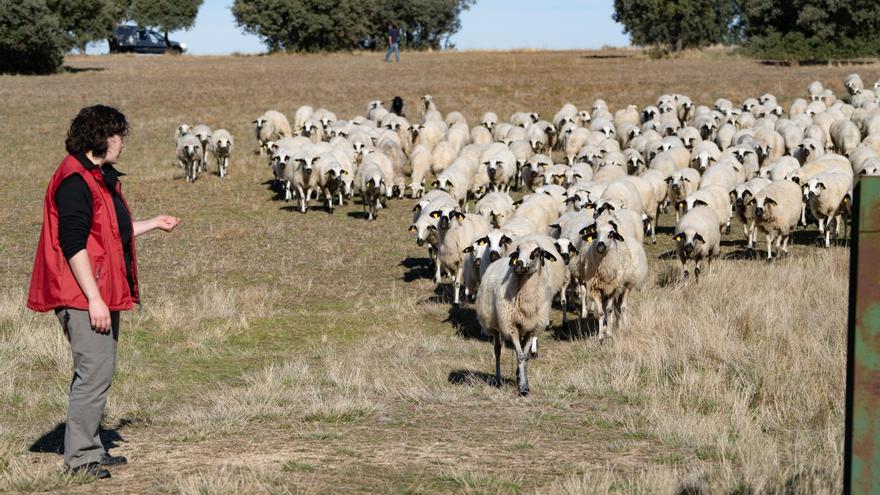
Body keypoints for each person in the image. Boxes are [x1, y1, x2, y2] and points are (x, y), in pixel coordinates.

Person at [27, 105, 180, 479]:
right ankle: (80, 460)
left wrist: (153, 224)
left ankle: (91, 447)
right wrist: (93, 298)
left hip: (97, 290)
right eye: (119, 136)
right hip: (80, 293)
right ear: (101, 137)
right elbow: (72, 243)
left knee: (99, 371)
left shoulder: (96, 176)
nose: (123, 143)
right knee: (93, 372)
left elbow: (110, 232)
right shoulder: (75, 180)